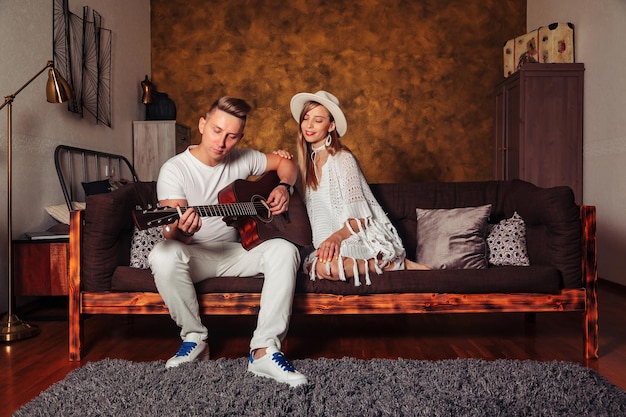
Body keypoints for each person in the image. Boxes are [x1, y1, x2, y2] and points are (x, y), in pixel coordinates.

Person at [148, 96, 308, 387]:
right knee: (163, 254)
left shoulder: (244, 158)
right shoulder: (175, 169)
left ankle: (264, 350)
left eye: (232, 136)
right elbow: (172, 231)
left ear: (240, 137)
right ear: (202, 124)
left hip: (237, 252)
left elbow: (287, 165)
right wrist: (183, 230)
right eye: (216, 131)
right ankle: (195, 339)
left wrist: (284, 186)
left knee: (285, 250)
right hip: (196, 255)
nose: (222, 142)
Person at [285, 90, 430, 286]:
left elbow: (361, 216)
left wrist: (336, 238)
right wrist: (280, 158)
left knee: (329, 268)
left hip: (353, 236)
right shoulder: (306, 164)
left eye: (318, 120)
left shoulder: (343, 159)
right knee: (310, 267)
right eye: (306, 118)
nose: (309, 125)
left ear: (331, 125)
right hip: (324, 243)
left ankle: (393, 264)